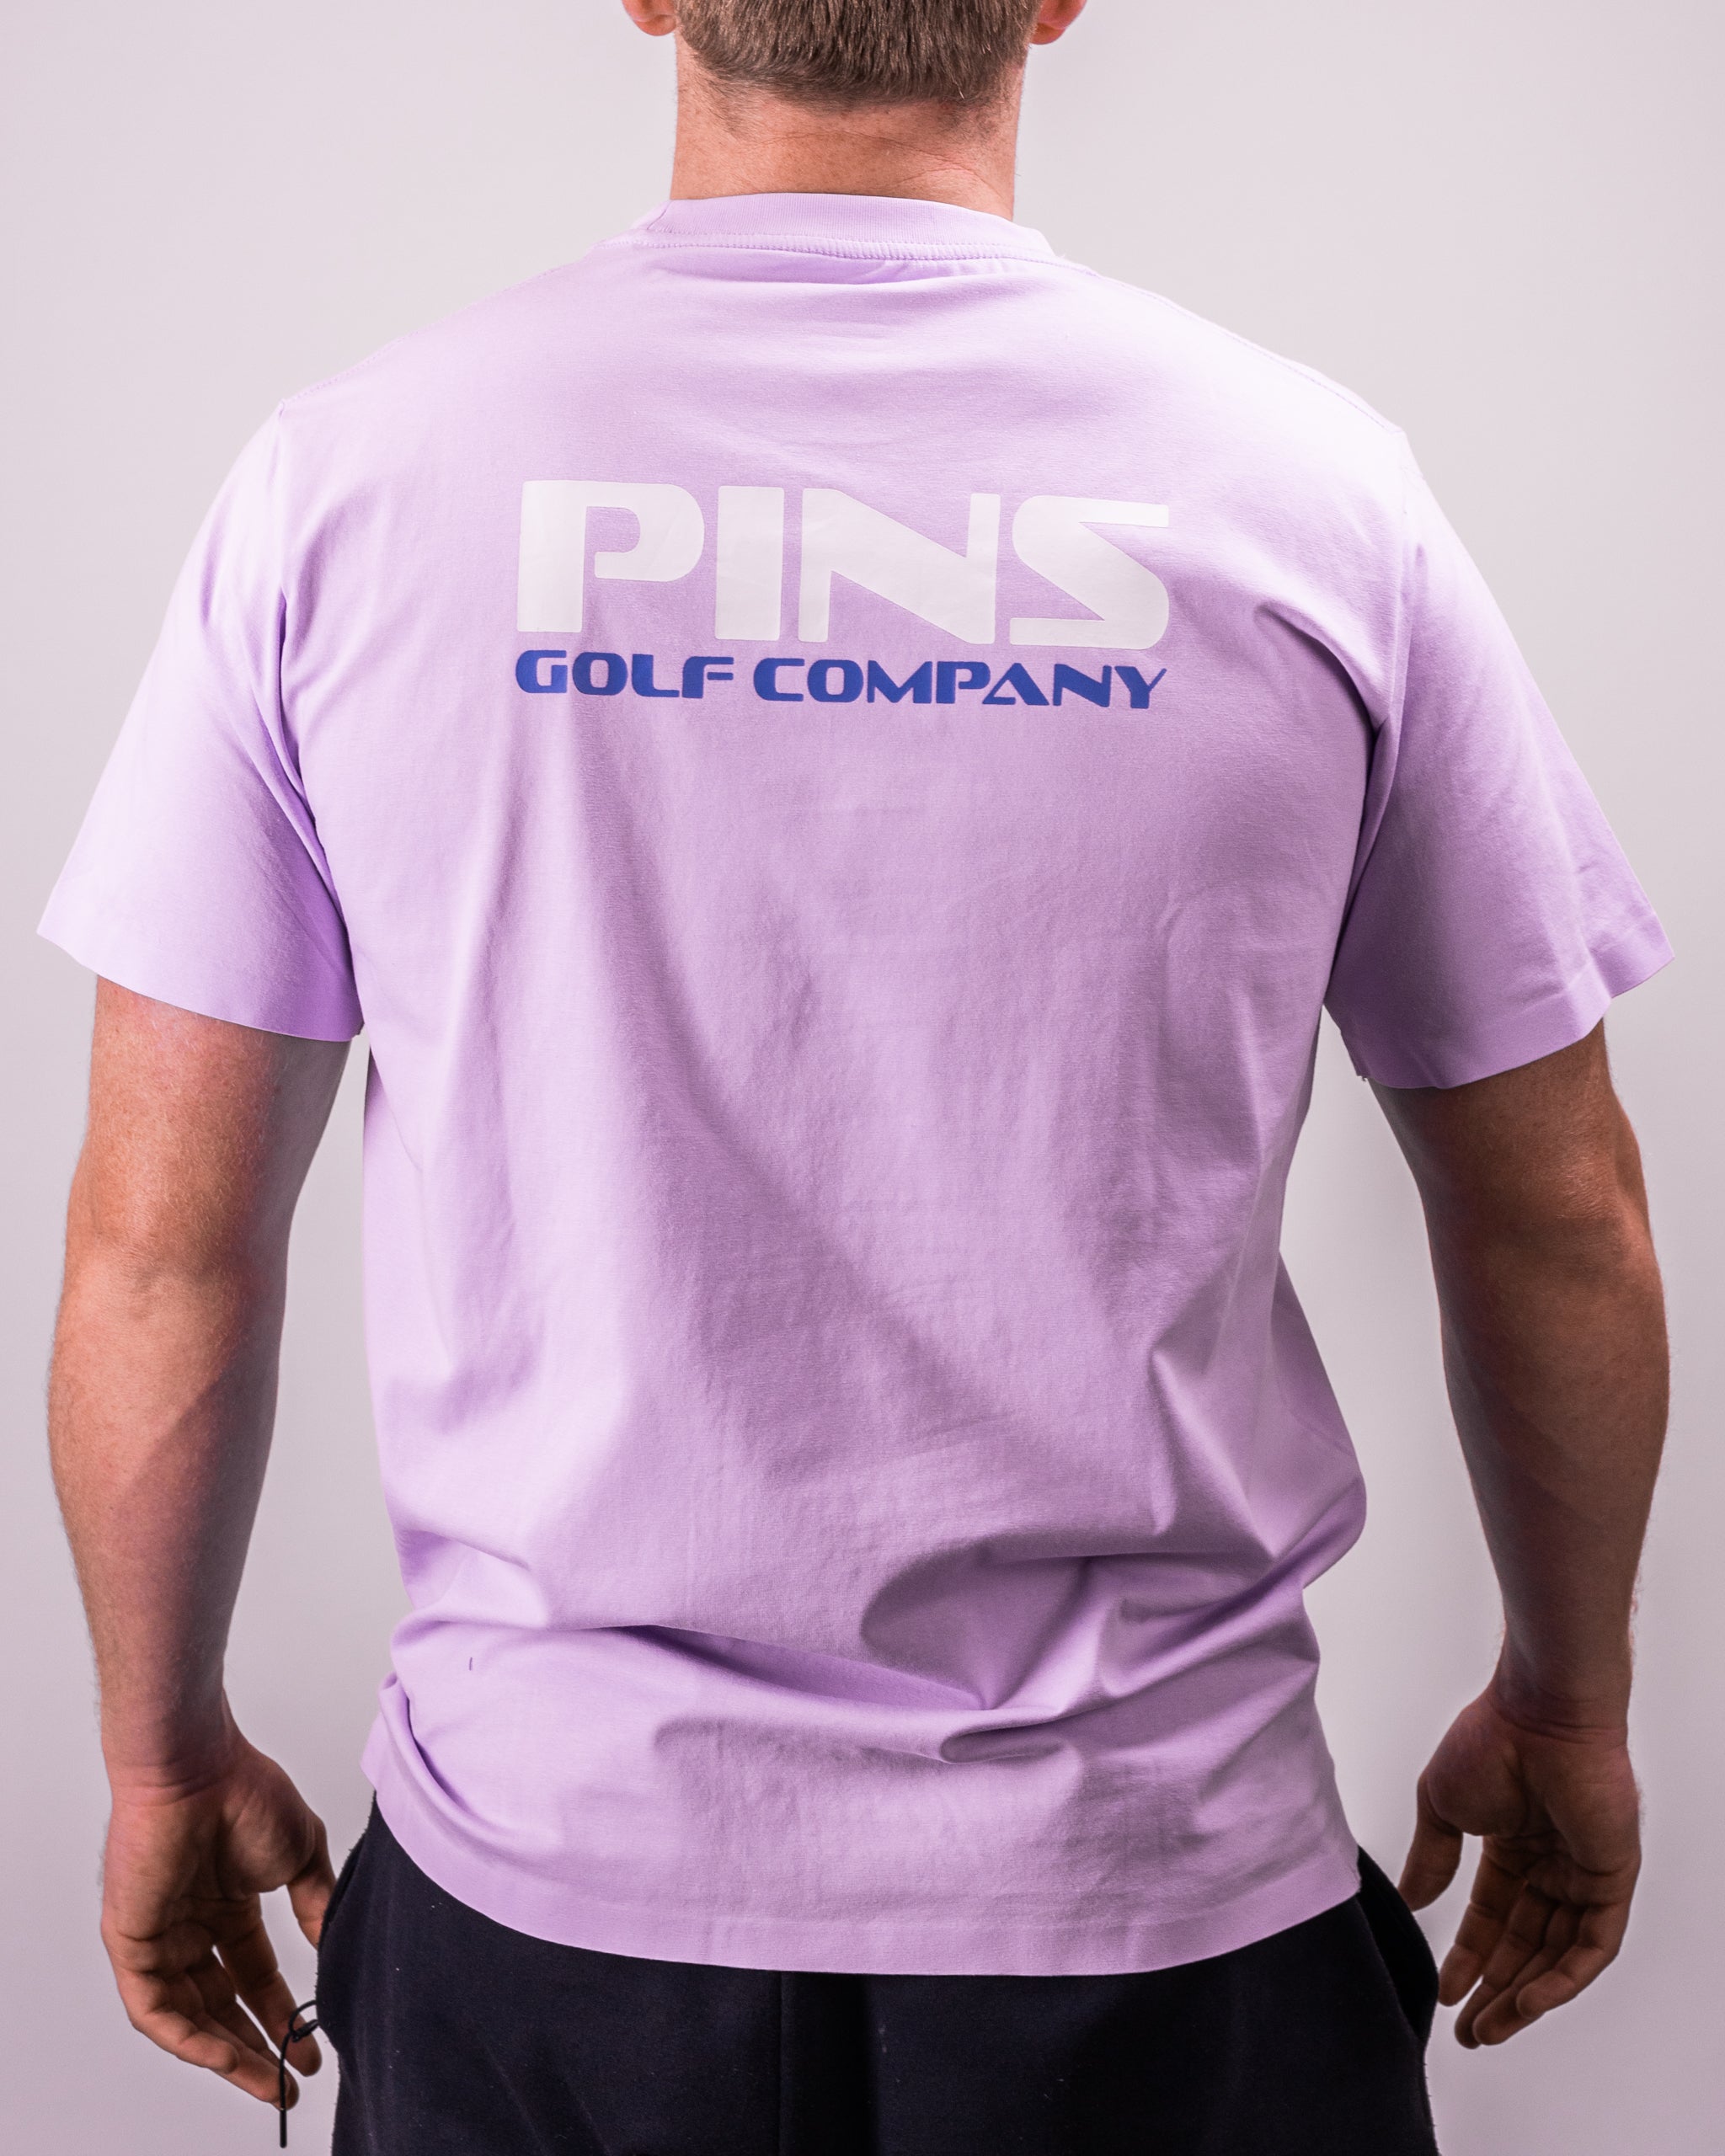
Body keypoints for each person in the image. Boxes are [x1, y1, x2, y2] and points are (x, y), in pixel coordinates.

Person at [42, 3, 1671, 2151]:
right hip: (1156, 1906)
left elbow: (162, 1248)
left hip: (552, 1922)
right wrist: (1567, 1701)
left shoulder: (352, 488)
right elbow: (1556, 1216)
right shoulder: (1309, 497)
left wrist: (157, 1754)